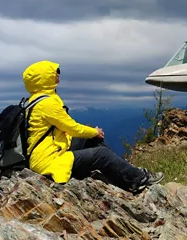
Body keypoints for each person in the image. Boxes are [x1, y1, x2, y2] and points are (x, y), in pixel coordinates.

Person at [22, 60, 163, 193]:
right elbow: (71, 128)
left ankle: (126, 171)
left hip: (47, 153)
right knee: (102, 154)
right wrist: (94, 131)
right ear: (43, 78)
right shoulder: (47, 104)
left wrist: (92, 133)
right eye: (55, 71)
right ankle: (138, 180)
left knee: (91, 139)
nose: (58, 73)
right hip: (48, 161)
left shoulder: (35, 100)